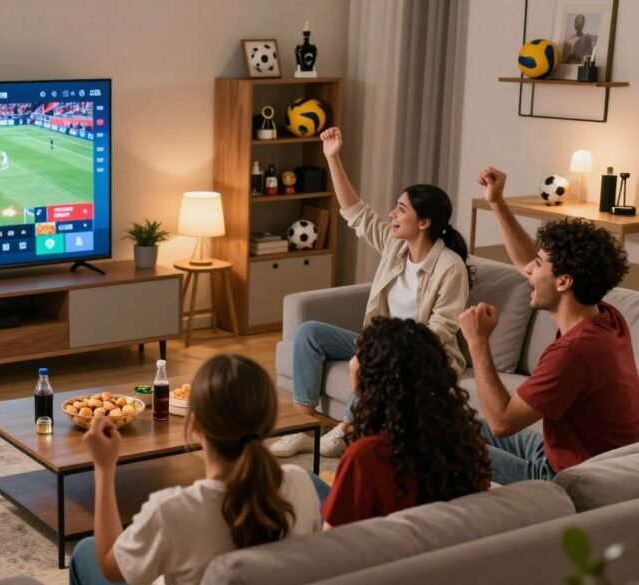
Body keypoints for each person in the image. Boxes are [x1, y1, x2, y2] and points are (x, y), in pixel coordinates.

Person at [272, 126, 473, 459]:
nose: (392, 214)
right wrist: (332, 157)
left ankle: (349, 428)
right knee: (309, 334)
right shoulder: (396, 247)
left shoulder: (450, 268)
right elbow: (356, 212)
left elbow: (439, 331)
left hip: (422, 355)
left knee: (375, 363)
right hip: (381, 341)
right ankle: (304, 426)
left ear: (423, 222)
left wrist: (382, 351)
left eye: (401, 209)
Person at [68, 354, 323, 585]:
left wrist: (104, 467)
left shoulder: (172, 512)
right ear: (269, 421)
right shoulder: (301, 483)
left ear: (195, 425)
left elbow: (110, 568)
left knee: (86, 552)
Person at [459, 167, 639, 484]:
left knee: (442, 442)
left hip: (563, 477)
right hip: (563, 453)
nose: (529, 269)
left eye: (540, 265)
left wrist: (478, 341)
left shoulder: (575, 351)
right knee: (448, 420)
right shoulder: (605, 316)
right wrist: (498, 203)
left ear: (563, 282)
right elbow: (528, 262)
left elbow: (502, 422)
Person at [322, 317, 491, 527]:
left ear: (375, 374)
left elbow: (331, 543)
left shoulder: (365, 456)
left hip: (377, 552)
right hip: (437, 551)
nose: (351, 361)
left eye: (359, 354)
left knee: (307, 484)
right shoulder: (466, 444)